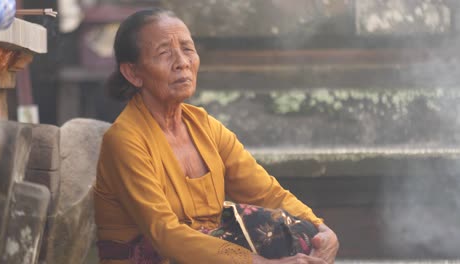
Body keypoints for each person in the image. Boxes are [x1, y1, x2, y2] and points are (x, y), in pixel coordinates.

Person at [93, 8, 338, 264]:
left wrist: (321, 228)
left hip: (205, 245)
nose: (182, 62)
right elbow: (164, 233)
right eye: (164, 53)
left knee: (302, 236)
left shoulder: (204, 125)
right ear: (133, 73)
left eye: (187, 49)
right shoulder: (125, 139)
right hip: (155, 255)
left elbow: (266, 192)